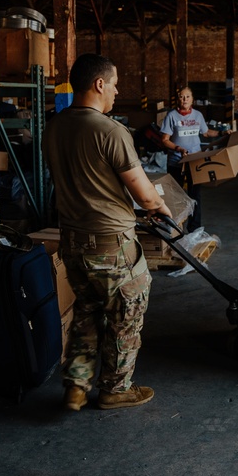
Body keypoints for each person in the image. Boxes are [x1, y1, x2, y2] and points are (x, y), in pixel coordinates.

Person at [43, 53, 172, 412]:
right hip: (111, 245)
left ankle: (76, 385)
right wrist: (160, 207)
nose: (117, 91)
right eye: (114, 84)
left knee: (87, 310)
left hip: (72, 241)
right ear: (99, 84)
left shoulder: (55, 126)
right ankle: (116, 389)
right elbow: (144, 193)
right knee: (126, 315)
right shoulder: (110, 130)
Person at [159, 86, 231, 232]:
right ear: (178, 99)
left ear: (192, 99)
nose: (184, 99)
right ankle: (175, 228)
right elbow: (165, 140)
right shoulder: (171, 116)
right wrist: (178, 148)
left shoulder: (198, 115)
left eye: (187, 96)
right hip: (176, 162)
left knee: (195, 195)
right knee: (175, 196)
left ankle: (194, 228)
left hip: (195, 162)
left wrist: (222, 133)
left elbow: (206, 133)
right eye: (181, 96)